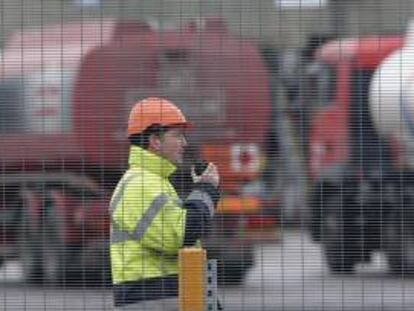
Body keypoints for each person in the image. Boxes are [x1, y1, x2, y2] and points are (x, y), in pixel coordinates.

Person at [110, 97, 220, 310]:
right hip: (153, 299)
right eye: (177, 135)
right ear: (155, 141)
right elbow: (181, 234)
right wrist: (205, 189)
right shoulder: (141, 185)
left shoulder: (153, 182)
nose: (184, 143)